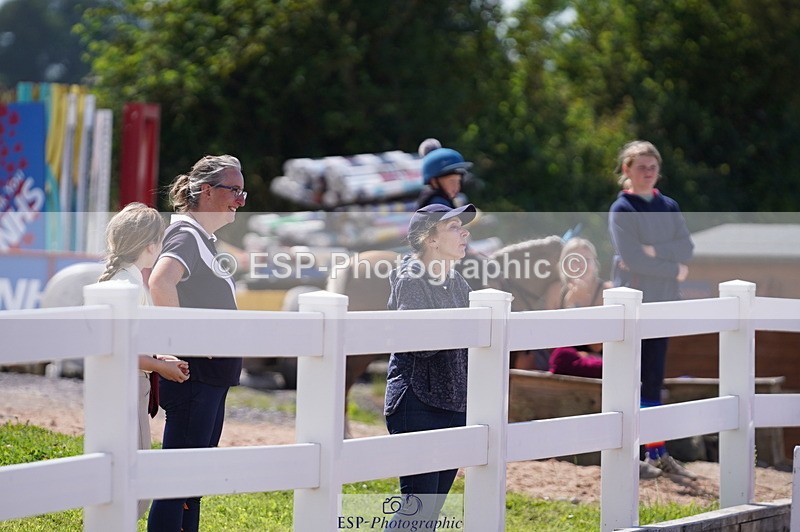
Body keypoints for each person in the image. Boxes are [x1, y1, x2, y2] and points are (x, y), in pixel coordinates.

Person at [147, 155, 247, 532]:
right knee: (178, 484)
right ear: (206, 191)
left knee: (191, 485)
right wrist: (184, 340)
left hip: (209, 377)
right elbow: (160, 282)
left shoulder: (200, 238)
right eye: (233, 190)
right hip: (196, 376)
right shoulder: (186, 234)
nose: (240, 200)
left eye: (242, 191)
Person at [384, 202, 476, 529]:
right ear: (431, 240)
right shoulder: (412, 278)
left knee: (429, 514)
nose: (464, 232)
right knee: (417, 512)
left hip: (452, 403)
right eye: (453, 227)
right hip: (417, 402)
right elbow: (420, 346)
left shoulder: (458, 282)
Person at [608, 140, 696, 480]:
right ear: (626, 170)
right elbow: (632, 259)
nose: (647, 172)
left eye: (652, 167)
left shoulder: (669, 206)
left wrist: (655, 253)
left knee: (653, 378)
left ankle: (657, 452)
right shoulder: (623, 210)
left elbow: (686, 249)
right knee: (632, 378)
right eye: (640, 166)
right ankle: (632, 454)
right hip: (633, 304)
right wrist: (672, 266)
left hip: (664, 303)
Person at [97, 202, 190, 519]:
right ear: (150, 245)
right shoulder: (128, 285)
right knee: (132, 484)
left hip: (127, 385)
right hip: (128, 388)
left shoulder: (125, 281)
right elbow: (124, 352)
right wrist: (161, 366)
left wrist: (158, 357)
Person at [549, 238, 609, 379]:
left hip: (596, 360)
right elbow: (550, 344)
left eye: (587, 260)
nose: (580, 266)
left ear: (595, 264)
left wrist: (578, 307)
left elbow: (597, 346)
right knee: (562, 356)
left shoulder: (605, 292)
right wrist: (570, 303)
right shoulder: (556, 291)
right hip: (565, 360)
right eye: (575, 260)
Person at [415, 141, 472, 209]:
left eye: (458, 181)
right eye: (451, 181)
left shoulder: (442, 200)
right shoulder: (438, 205)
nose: (456, 187)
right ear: (434, 182)